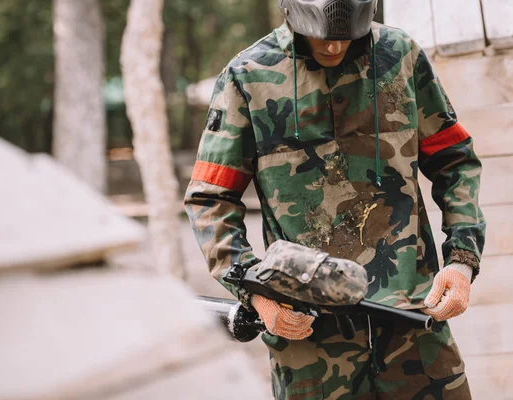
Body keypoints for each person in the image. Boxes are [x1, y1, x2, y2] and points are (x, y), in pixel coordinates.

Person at [185, 0, 486, 398]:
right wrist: (255, 291)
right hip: (308, 337)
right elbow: (211, 199)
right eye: (320, 35)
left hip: (412, 324)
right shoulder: (246, 77)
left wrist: (463, 260)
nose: (332, 47)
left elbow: (455, 161)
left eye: (346, 35)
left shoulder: (401, 56)